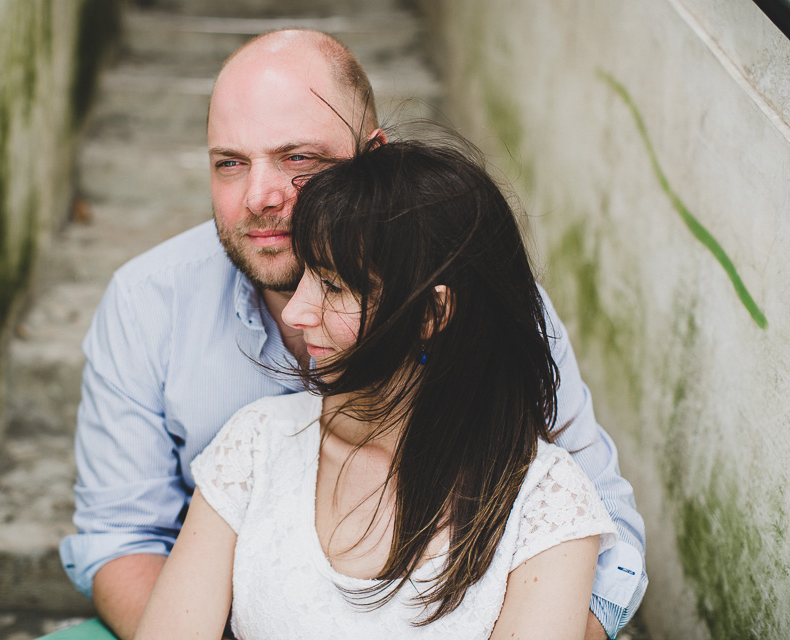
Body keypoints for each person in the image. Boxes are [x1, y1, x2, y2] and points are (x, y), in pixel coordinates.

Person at [60, 29, 646, 640]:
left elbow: (596, 527)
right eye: (230, 163)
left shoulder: (495, 313)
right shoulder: (153, 310)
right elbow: (123, 538)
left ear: (377, 159)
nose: (259, 197)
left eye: (299, 160)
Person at [135, 136, 619, 640]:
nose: (297, 313)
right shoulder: (258, 443)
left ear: (433, 313)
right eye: (305, 277)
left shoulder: (544, 502)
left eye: (334, 286)